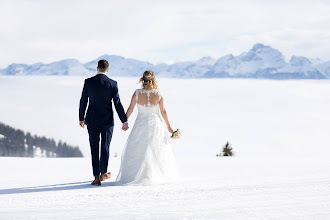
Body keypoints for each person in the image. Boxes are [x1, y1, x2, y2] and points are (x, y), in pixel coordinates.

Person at [116, 70, 179, 185]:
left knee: (139, 148)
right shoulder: (159, 93)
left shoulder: (137, 93)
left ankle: (137, 175)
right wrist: (169, 126)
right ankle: (157, 174)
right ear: (154, 79)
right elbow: (163, 111)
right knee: (157, 148)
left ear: (142, 79)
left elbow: (130, 109)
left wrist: (125, 121)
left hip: (140, 124)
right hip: (156, 124)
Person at [79, 59, 128, 186]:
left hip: (92, 120)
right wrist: (124, 120)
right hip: (107, 121)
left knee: (94, 147)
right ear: (108, 69)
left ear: (97, 68)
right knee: (105, 147)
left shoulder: (88, 82)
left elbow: (83, 100)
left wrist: (81, 117)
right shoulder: (113, 83)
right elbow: (117, 103)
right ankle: (103, 172)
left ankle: (96, 177)